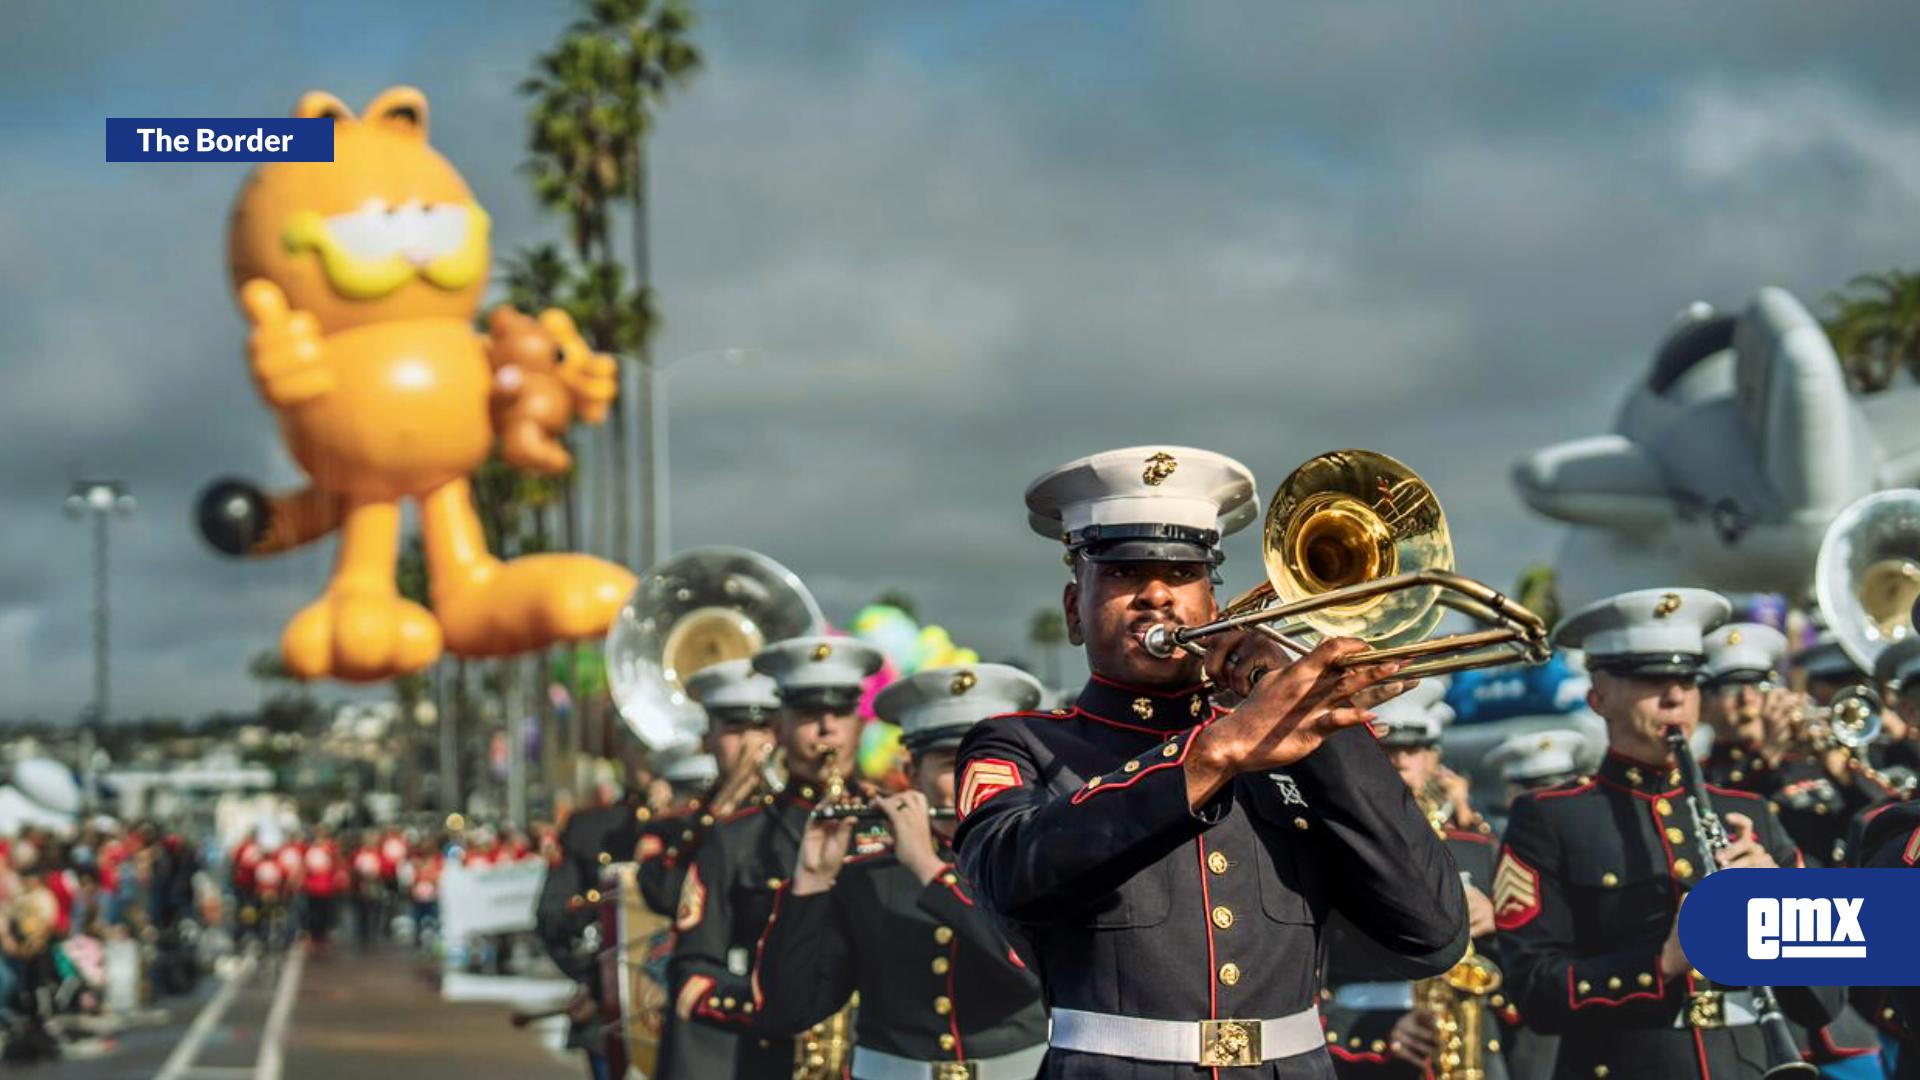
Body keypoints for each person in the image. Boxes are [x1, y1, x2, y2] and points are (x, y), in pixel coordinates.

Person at [955, 445, 1467, 1077]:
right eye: (1120, 574)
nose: (1155, 596)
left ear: (1213, 607)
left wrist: (1328, 728)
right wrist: (1212, 753)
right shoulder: (1021, 744)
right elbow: (1008, 880)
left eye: (1183, 572)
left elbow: (1433, 935)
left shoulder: (1292, 748)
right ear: (1073, 611)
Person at [1496, 588, 1850, 1079]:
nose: (1675, 696)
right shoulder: (1551, 818)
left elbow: (1824, 1004)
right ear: (1597, 698)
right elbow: (1533, 991)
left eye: (1687, 678)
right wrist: (1663, 961)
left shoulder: (1751, 812)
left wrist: (1782, 911)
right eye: (1650, 679)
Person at [757, 663, 1050, 1079]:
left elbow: (1029, 968)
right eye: (952, 763)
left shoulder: (1038, 859)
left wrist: (929, 869)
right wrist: (812, 880)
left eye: (988, 763)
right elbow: (788, 1011)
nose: (972, 782)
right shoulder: (867, 874)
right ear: (913, 774)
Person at [664, 634, 882, 1080]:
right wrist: (778, 1004)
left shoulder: (897, 823)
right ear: (779, 728)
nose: (827, 729)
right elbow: (693, 977)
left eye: (841, 713)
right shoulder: (735, 837)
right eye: (807, 715)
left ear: (859, 726)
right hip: (769, 1059)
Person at [1319, 678, 1511, 1080]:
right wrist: (1375, 1035)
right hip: (1366, 1047)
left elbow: (1530, 960)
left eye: (1415, 749)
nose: (1403, 761)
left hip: (1466, 1037)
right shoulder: (1328, 845)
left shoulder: (1477, 845)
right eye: (1388, 749)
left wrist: (1496, 922)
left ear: (1433, 758)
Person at [636, 658, 782, 918]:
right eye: (736, 730)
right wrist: (722, 808)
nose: (752, 744)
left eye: (761, 728)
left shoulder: (797, 812)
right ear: (707, 742)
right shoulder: (677, 825)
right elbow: (665, 895)